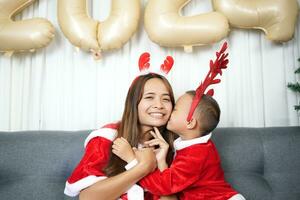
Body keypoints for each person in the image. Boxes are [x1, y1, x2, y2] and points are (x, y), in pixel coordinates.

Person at [113, 42, 246, 199]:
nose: (167, 111)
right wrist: (162, 159)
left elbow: (165, 187)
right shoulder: (191, 146)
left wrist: (132, 159)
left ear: (190, 122)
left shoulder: (196, 154)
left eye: (175, 109)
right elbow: (169, 182)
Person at [64, 53, 178, 200]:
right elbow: (87, 198)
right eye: (149, 97)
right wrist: (143, 167)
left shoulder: (175, 146)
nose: (159, 105)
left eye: (166, 99)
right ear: (133, 103)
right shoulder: (106, 137)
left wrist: (162, 163)